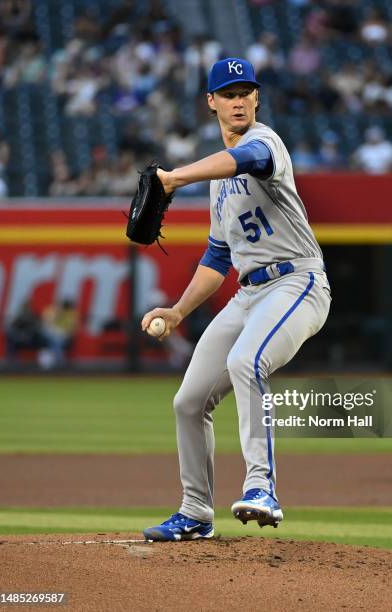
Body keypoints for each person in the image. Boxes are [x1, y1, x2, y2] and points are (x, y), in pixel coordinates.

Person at [141, 58, 331, 541]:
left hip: (297, 283)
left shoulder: (265, 142)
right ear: (211, 102)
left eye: (246, 90)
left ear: (258, 98)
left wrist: (174, 177)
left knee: (248, 360)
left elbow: (245, 161)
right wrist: (179, 310)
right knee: (188, 401)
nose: (239, 99)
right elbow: (217, 256)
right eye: (228, 93)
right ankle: (195, 513)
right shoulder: (217, 184)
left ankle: (262, 487)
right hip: (249, 294)